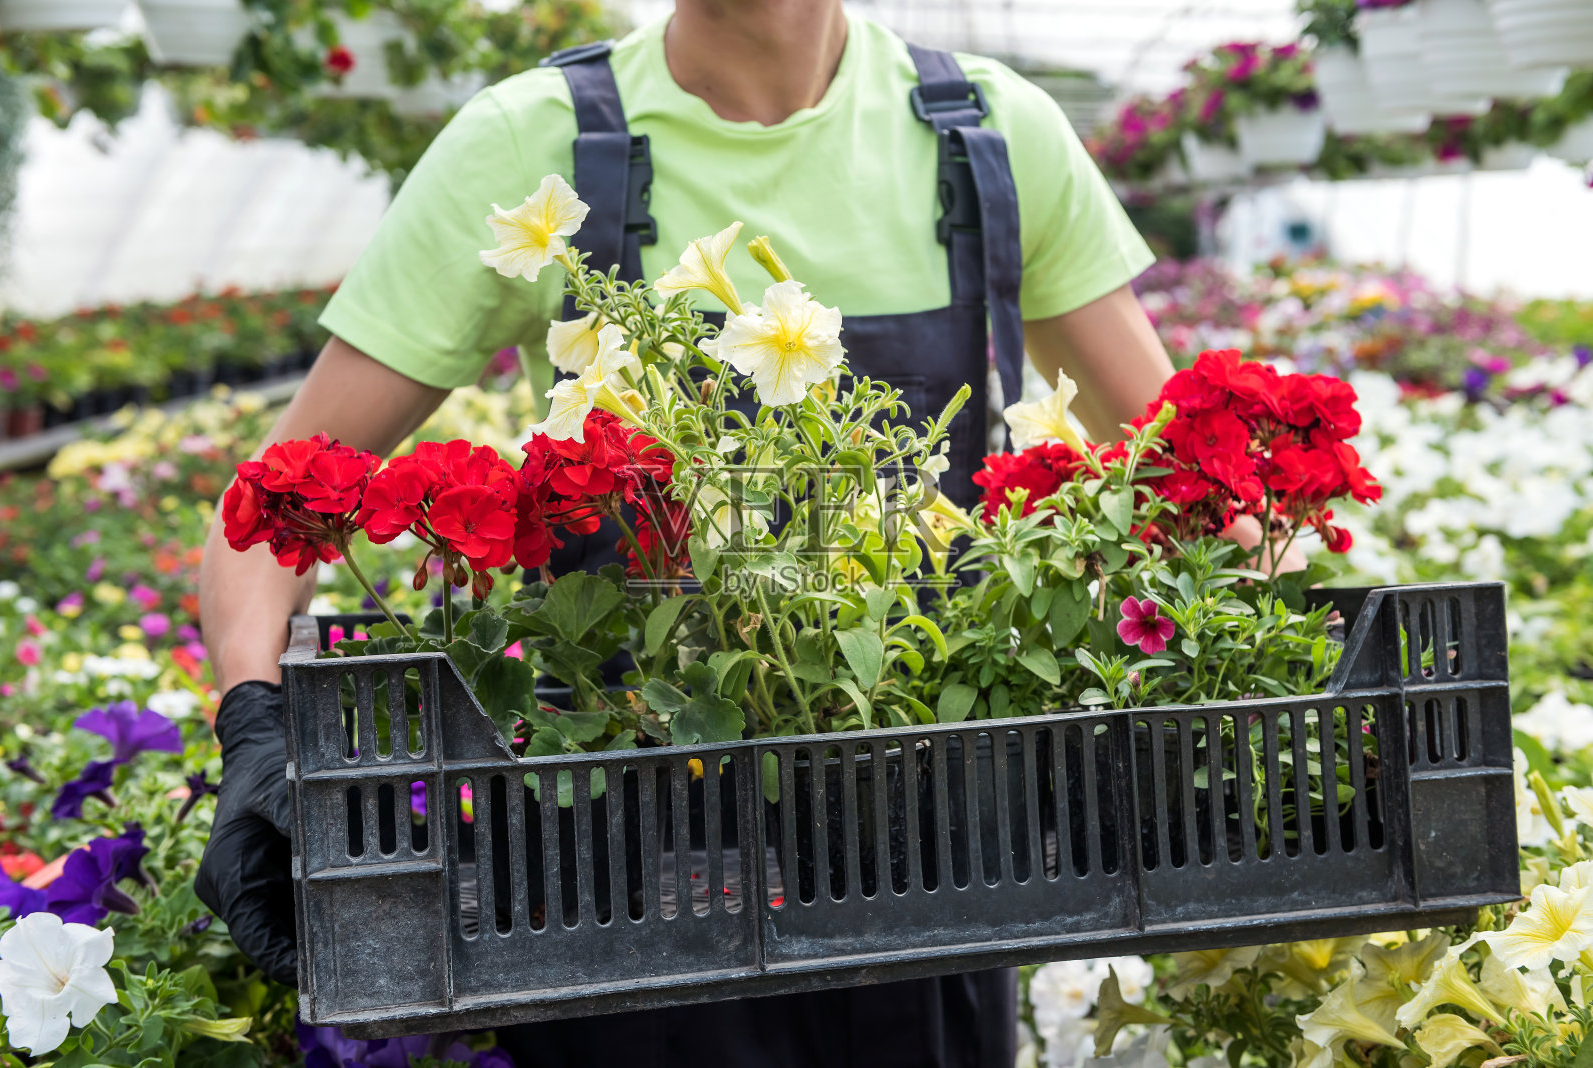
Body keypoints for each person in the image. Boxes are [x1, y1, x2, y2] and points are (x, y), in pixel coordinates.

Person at [194, 0, 1178, 1064]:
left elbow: (1175, 473)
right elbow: (271, 507)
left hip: (933, 873)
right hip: (617, 899)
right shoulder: (536, 141)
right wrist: (254, 728)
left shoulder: (988, 132)